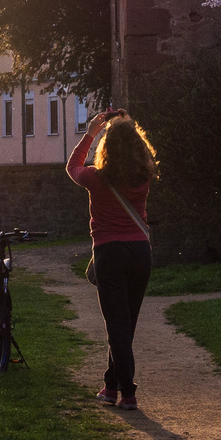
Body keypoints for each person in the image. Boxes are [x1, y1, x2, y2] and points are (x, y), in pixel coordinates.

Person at [66, 107, 158, 411]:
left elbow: (72, 167)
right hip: (140, 253)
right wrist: (126, 127)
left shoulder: (96, 177)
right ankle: (109, 386)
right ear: (137, 146)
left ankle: (127, 393)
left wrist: (92, 131)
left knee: (117, 327)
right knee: (124, 325)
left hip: (110, 254)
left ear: (107, 146)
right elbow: (141, 157)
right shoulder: (143, 177)